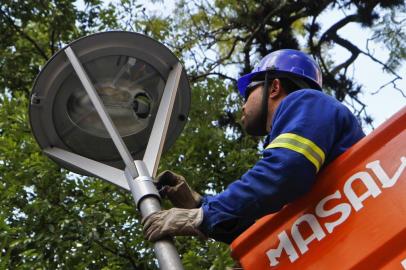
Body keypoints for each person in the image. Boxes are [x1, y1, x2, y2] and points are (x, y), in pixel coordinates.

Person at [142, 49, 365, 244]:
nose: (242, 105)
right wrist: (199, 203)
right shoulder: (290, 162)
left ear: (274, 87)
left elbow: (285, 170)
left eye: (248, 92)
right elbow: (263, 226)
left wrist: (201, 216)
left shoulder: (306, 101)